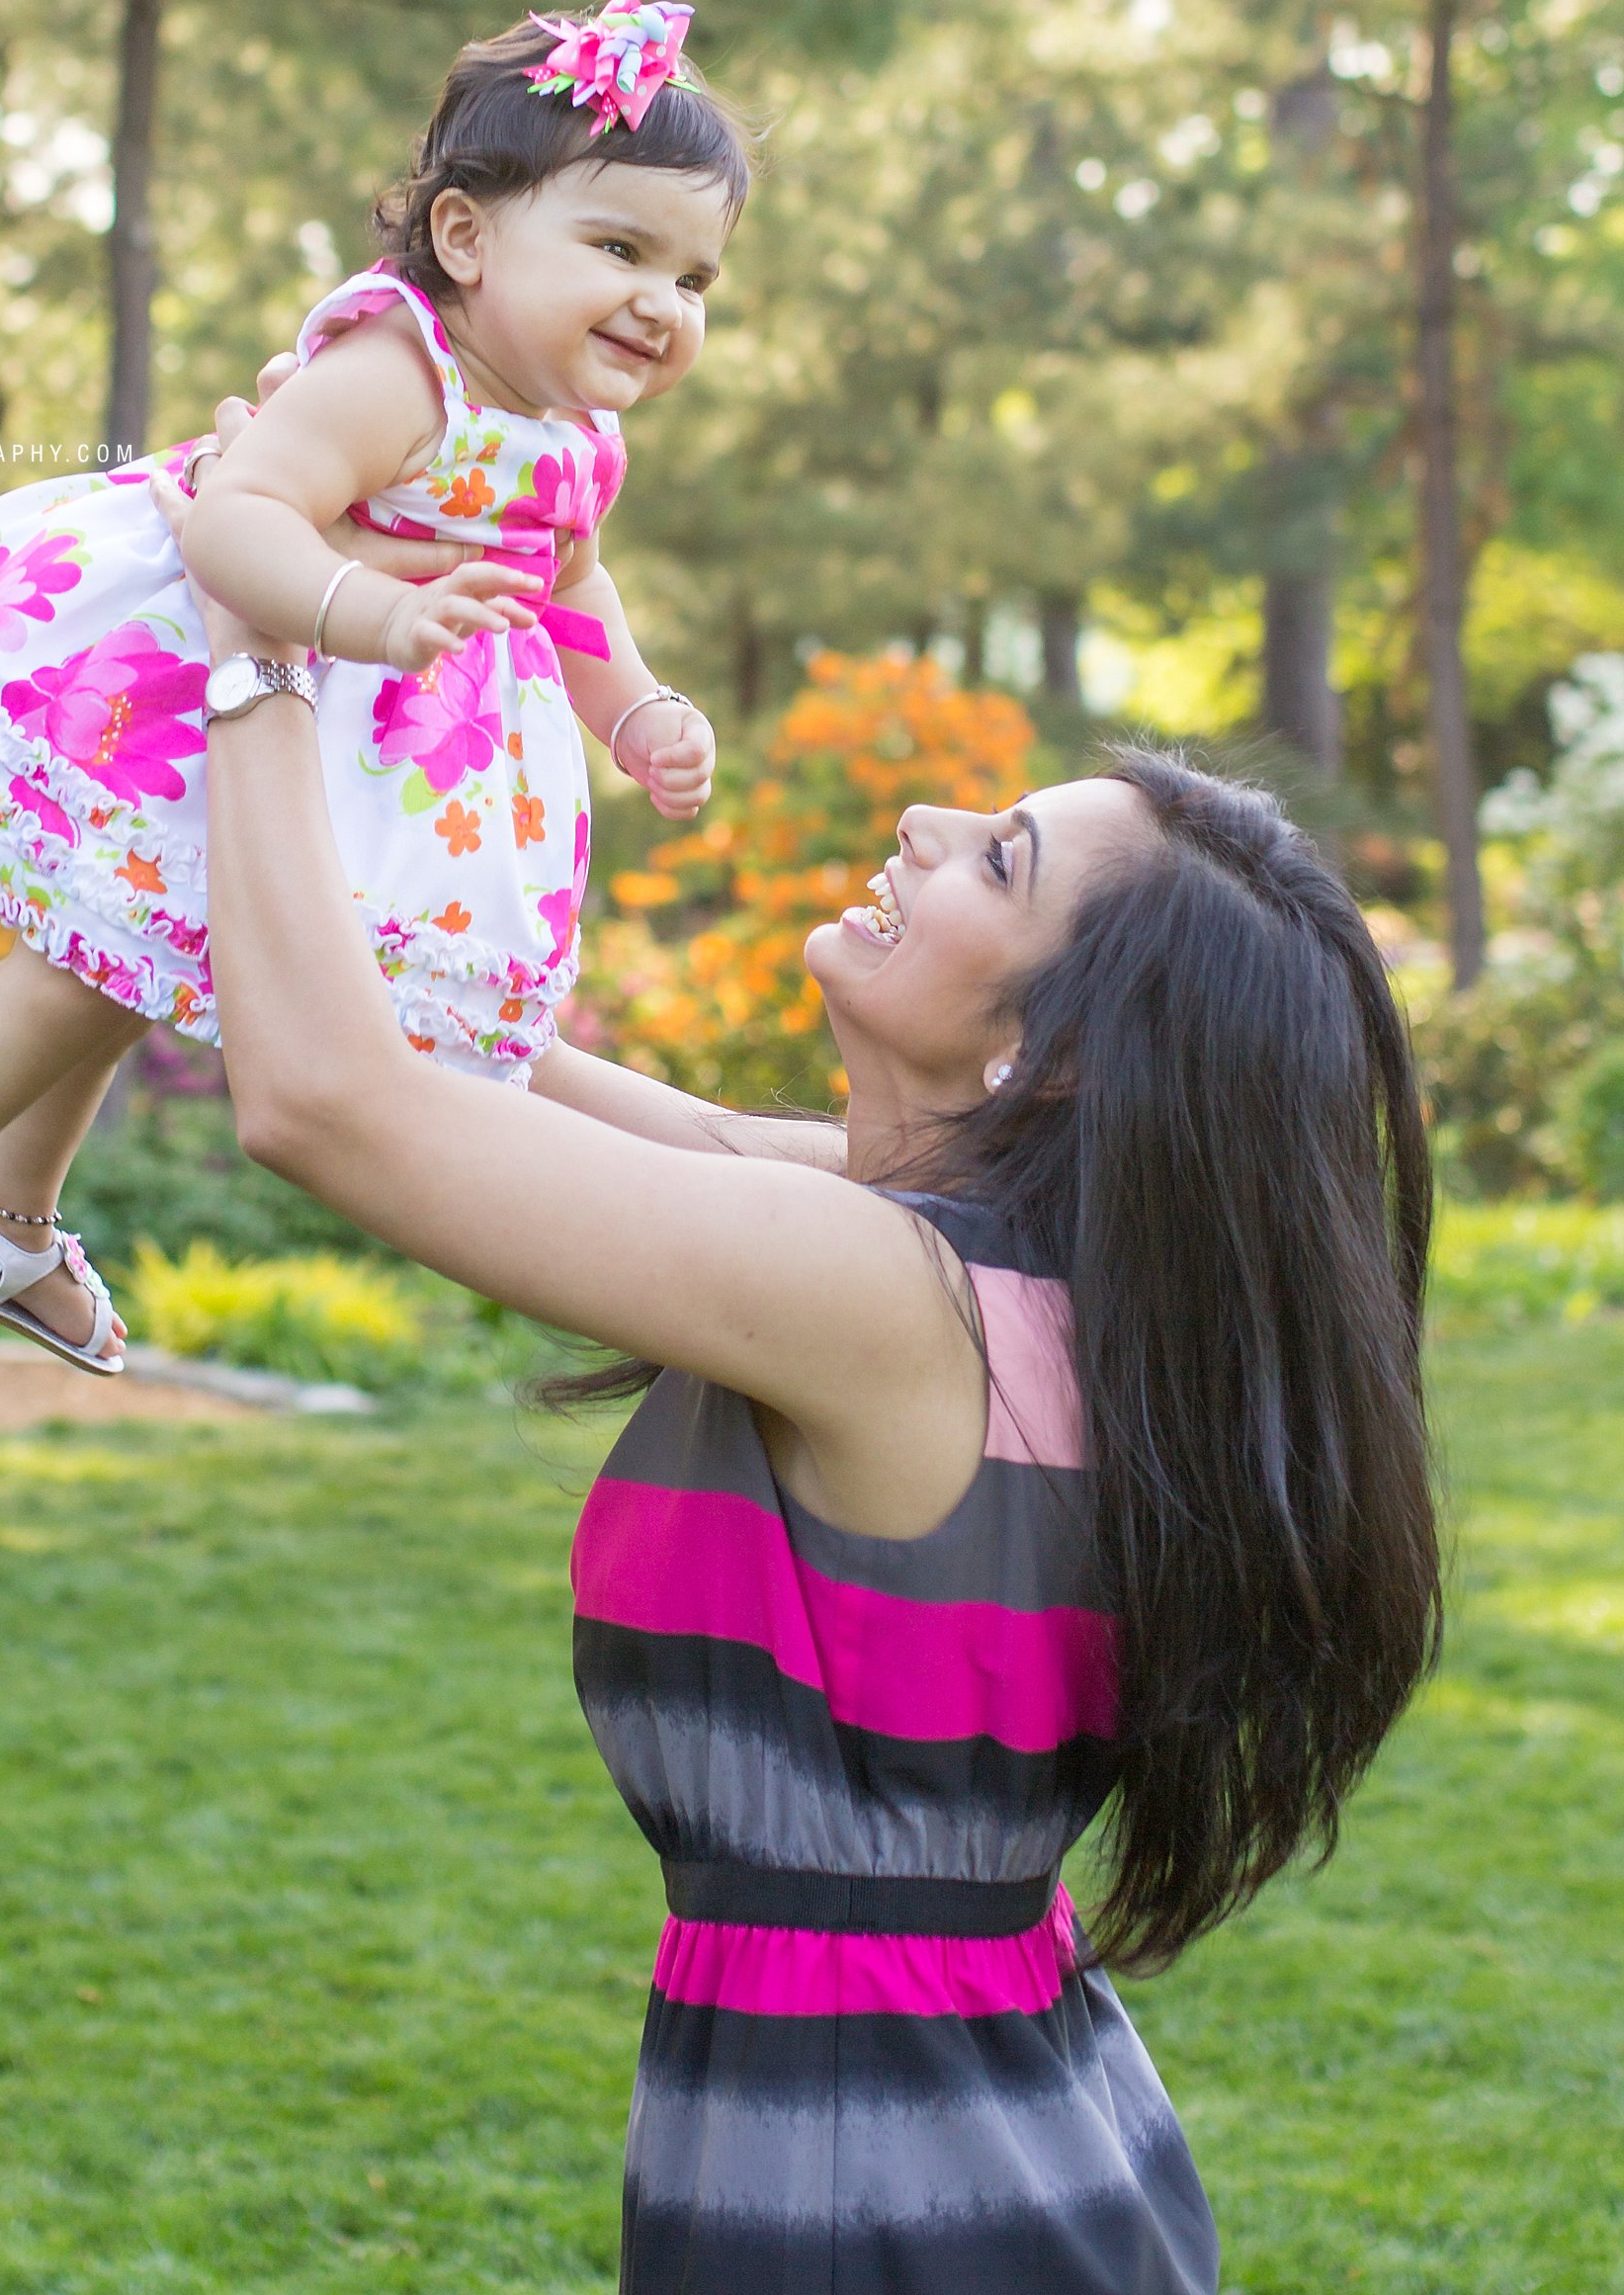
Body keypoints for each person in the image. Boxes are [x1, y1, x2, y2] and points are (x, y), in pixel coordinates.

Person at [148, 403, 1442, 2295]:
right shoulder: (995, 1276)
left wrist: (252, 630)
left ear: (1054, 1056)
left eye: (994, 859)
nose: (920, 822)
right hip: (972, 2133)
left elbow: (334, 1111)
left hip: (892, 2191)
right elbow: (465, 1070)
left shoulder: (880, 1299)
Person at [0, 0, 738, 1377]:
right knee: (80, 966)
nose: (661, 303)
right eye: (620, 248)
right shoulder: (399, 371)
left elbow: (574, 594)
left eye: (695, 279)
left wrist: (641, 711)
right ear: (468, 238)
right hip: (197, 684)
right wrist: (362, 607)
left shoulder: (577, 440)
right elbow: (241, 515)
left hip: (343, 742)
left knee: (132, 959)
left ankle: (9, 1221)